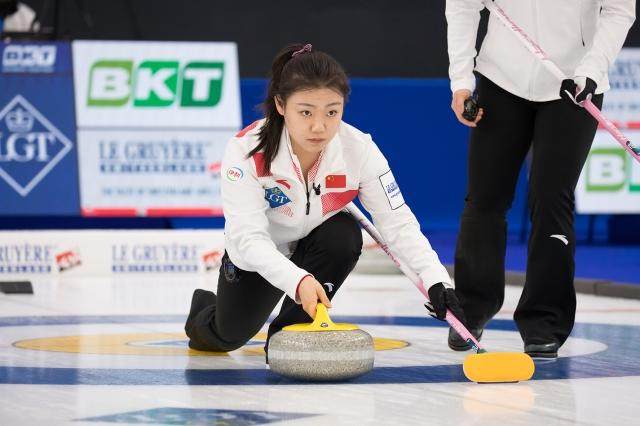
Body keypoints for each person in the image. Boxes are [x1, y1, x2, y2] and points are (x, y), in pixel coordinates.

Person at [185, 43, 465, 358]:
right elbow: (248, 239)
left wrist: (437, 280)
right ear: (280, 105)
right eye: (306, 112)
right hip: (262, 255)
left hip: (319, 245)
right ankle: (204, 310)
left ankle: (287, 340)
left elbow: (397, 222)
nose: (320, 126)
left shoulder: (359, 150)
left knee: (344, 233)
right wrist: (298, 278)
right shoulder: (245, 152)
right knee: (225, 336)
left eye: (332, 112)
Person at [446, 0, 635, 357]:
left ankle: (544, 321)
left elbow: (619, 10)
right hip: (501, 78)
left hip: (575, 83)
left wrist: (592, 70)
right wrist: (461, 81)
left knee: (551, 199)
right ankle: (471, 309)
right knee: (485, 198)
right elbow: (462, 6)